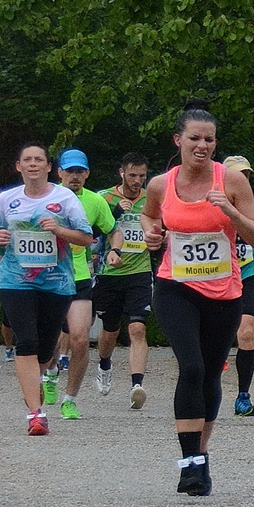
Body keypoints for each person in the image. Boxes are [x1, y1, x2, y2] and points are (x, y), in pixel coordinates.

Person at [139, 104, 254, 495]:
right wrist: (152, 234)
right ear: (178, 140)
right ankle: (189, 463)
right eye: (194, 138)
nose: (202, 145)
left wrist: (229, 210)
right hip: (176, 287)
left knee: (210, 372)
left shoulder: (231, 182)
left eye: (209, 139)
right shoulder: (161, 183)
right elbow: (148, 216)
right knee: (190, 367)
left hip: (224, 292)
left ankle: (202, 455)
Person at [0, 144, 95, 433]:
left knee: (45, 350)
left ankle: (44, 375)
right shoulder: (6, 199)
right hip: (15, 281)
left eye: (39, 160)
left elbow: (86, 239)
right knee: (27, 342)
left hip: (56, 283)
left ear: (49, 167)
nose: (33, 164)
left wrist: (59, 230)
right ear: (18, 166)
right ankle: (36, 414)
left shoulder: (65, 198)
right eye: (27, 160)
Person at [44, 149, 116, 420]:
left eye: (80, 171)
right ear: (59, 172)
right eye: (70, 171)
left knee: (81, 339)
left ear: (87, 174)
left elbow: (113, 229)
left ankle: (70, 399)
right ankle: (51, 374)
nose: (75, 176)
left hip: (80, 277)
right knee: (49, 340)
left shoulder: (95, 201)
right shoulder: (46, 198)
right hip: (49, 277)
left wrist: (115, 249)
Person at [93, 153, 155, 408]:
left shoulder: (151, 198)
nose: (137, 181)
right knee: (110, 331)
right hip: (109, 273)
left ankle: (137, 385)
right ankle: (104, 364)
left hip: (139, 272)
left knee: (137, 328)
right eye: (132, 175)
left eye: (142, 176)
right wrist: (115, 212)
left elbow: (158, 226)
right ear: (121, 173)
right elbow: (90, 233)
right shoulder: (103, 197)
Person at [220, 154, 254, 417]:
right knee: (214, 334)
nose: (243, 180)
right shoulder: (214, 203)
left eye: (247, 175)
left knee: (246, 333)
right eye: (238, 175)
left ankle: (243, 396)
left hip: (247, 274)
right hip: (217, 275)